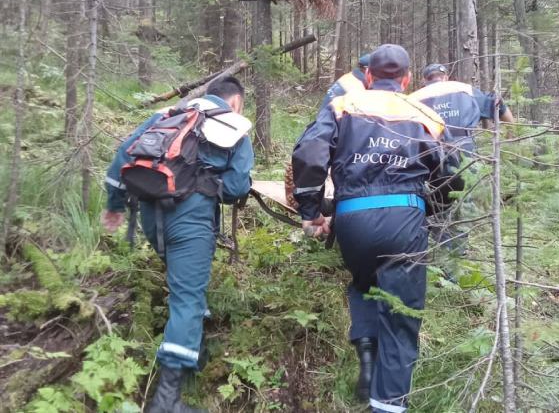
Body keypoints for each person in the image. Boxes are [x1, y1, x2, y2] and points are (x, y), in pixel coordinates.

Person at [292, 44, 450, 412]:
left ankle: (366, 354)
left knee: (364, 281)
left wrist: (311, 209)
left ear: (367, 76)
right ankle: (388, 404)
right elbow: (450, 172)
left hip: (352, 219)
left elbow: (308, 154)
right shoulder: (423, 113)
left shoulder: (343, 106)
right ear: (408, 79)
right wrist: (437, 211)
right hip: (405, 219)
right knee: (402, 317)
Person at [101, 77, 254, 413]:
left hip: (151, 216)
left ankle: (194, 353)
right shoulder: (234, 126)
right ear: (236, 101)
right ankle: (166, 400)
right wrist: (210, 185)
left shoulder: (168, 115)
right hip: (191, 220)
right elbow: (237, 187)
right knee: (187, 297)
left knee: (184, 286)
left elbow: (121, 158)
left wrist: (113, 206)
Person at [410, 64, 514, 248]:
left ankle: (434, 252)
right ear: (445, 77)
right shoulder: (465, 90)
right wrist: (512, 132)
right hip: (465, 157)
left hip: (429, 157)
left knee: (434, 206)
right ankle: (456, 254)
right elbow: (498, 104)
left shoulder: (413, 99)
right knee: (462, 210)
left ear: (424, 79)